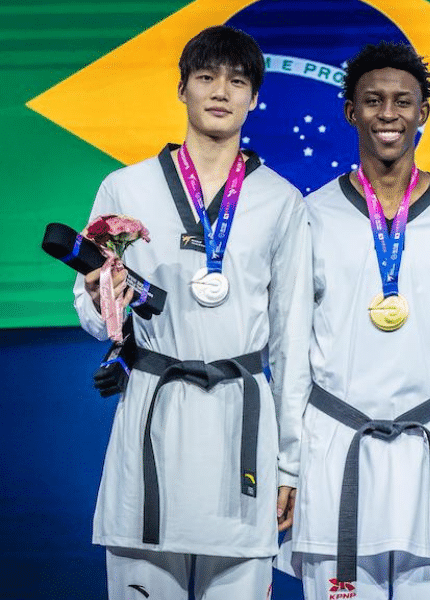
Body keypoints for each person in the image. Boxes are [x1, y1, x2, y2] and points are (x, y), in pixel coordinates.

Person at [72, 25, 312, 600]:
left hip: (242, 422)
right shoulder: (124, 187)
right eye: (206, 77)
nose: (220, 91)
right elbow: (91, 315)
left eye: (236, 80)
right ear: (182, 89)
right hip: (154, 411)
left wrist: (291, 464)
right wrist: (104, 298)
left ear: (254, 98)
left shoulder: (281, 200)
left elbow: (292, 341)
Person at [289, 41, 430, 600]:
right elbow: (290, 349)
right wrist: (287, 464)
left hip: (427, 449)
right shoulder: (311, 216)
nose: (387, 114)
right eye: (372, 100)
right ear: (351, 111)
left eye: (402, 101)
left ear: (423, 113)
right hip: (337, 444)